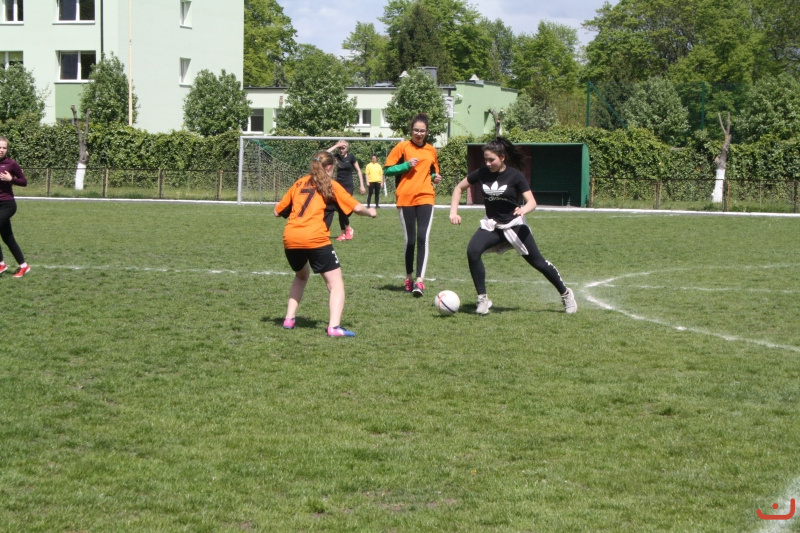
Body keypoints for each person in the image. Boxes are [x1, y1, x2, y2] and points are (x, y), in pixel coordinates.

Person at [449, 137, 577, 315]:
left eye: (491, 159)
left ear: (502, 157)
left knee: (538, 262)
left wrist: (523, 209)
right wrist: (453, 212)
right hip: (492, 226)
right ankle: (482, 299)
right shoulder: (481, 173)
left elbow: (532, 202)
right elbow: (458, 188)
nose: (488, 163)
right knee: (473, 251)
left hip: (514, 225)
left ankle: (566, 294)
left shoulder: (515, 176)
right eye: (485, 159)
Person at [274, 150, 377, 337]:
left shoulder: (299, 183)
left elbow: (277, 211)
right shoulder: (330, 185)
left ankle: (289, 319)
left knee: (301, 276)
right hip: (315, 238)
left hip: (291, 238)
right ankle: (334, 327)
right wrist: (370, 212)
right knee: (336, 284)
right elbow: (356, 207)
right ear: (329, 167)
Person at [383, 113, 442, 297]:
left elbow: (432, 172)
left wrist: (435, 177)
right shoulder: (402, 147)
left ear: (427, 132)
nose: (419, 133)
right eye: (416, 130)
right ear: (411, 130)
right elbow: (387, 170)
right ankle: (408, 277)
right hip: (405, 198)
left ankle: (420, 281)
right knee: (410, 240)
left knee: (423, 237)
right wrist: (406, 165)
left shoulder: (431, 150)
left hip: (426, 197)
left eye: (422, 131)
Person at [0, 137, 30, 278]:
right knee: (8, 238)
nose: (1, 150)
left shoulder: (11, 164)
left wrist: (11, 179)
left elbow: (24, 182)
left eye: (4, 148)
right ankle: (23, 266)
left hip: (7, 205)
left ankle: (1, 264)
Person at [327, 140, 365, 241]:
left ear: (347, 148)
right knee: (339, 208)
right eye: (340, 148)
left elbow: (358, 171)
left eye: (343, 148)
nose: (341, 150)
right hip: (338, 186)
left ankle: (347, 229)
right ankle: (344, 232)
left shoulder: (351, 157)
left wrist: (362, 185)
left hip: (348, 186)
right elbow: (325, 154)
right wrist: (336, 145)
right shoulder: (336, 157)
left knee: (344, 208)